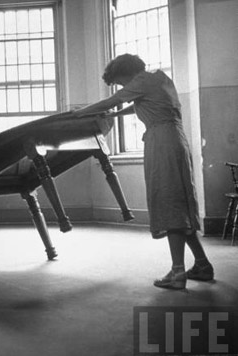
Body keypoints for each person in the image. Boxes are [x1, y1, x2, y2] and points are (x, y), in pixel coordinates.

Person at [73, 53, 213, 290]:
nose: (123, 87)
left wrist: (78, 113)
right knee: (178, 202)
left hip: (162, 141)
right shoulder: (157, 78)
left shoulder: (140, 81)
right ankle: (202, 264)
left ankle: (178, 272)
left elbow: (113, 100)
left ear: (127, 73)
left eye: (121, 82)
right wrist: (116, 115)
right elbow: (141, 103)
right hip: (174, 138)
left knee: (168, 202)